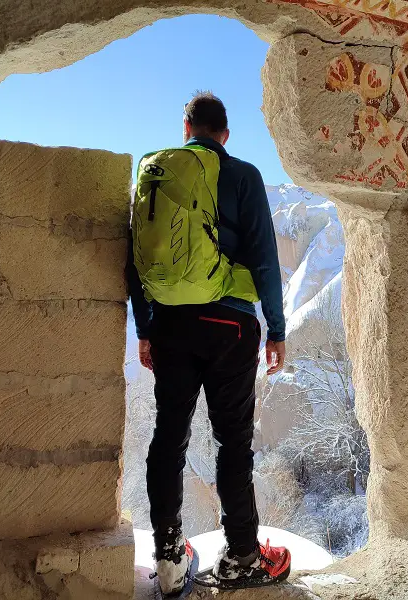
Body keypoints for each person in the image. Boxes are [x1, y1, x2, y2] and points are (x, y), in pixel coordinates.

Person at [125, 91, 290, 595]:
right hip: (231, 327)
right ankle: (242, 555)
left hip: (172, 325)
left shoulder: (159, 176)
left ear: (186, 129)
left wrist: (147, 327)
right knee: (232, 441)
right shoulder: (242, 175)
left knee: (168, 438)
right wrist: (277, 330)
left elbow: (136, 258)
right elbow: (263, 257)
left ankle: (171, 558)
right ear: (225, 134)